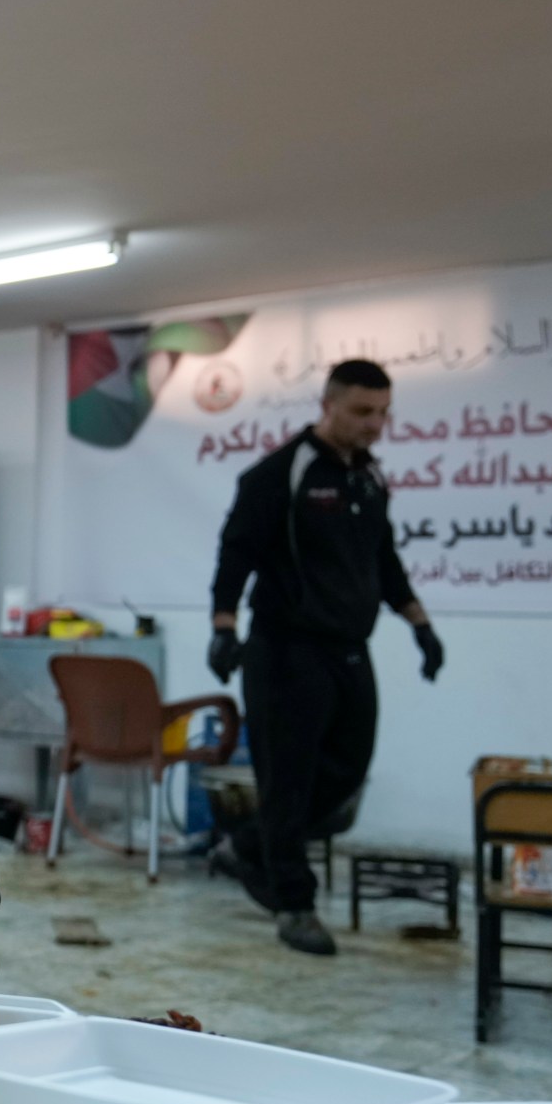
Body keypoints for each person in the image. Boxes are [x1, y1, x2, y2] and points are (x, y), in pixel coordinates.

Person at [207, 359, 443, 956]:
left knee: (347, 771)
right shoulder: (280, 473)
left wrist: (421, 627)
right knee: (287, 782)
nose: (375, 423)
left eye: (384, 412)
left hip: (348, 650)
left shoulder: (368, 479)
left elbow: (383, 562)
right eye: (363, 411)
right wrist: (223, 628)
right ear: (328, 404)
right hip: (285, 648)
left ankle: (250, 846)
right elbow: (236, 554)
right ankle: (295, 904)